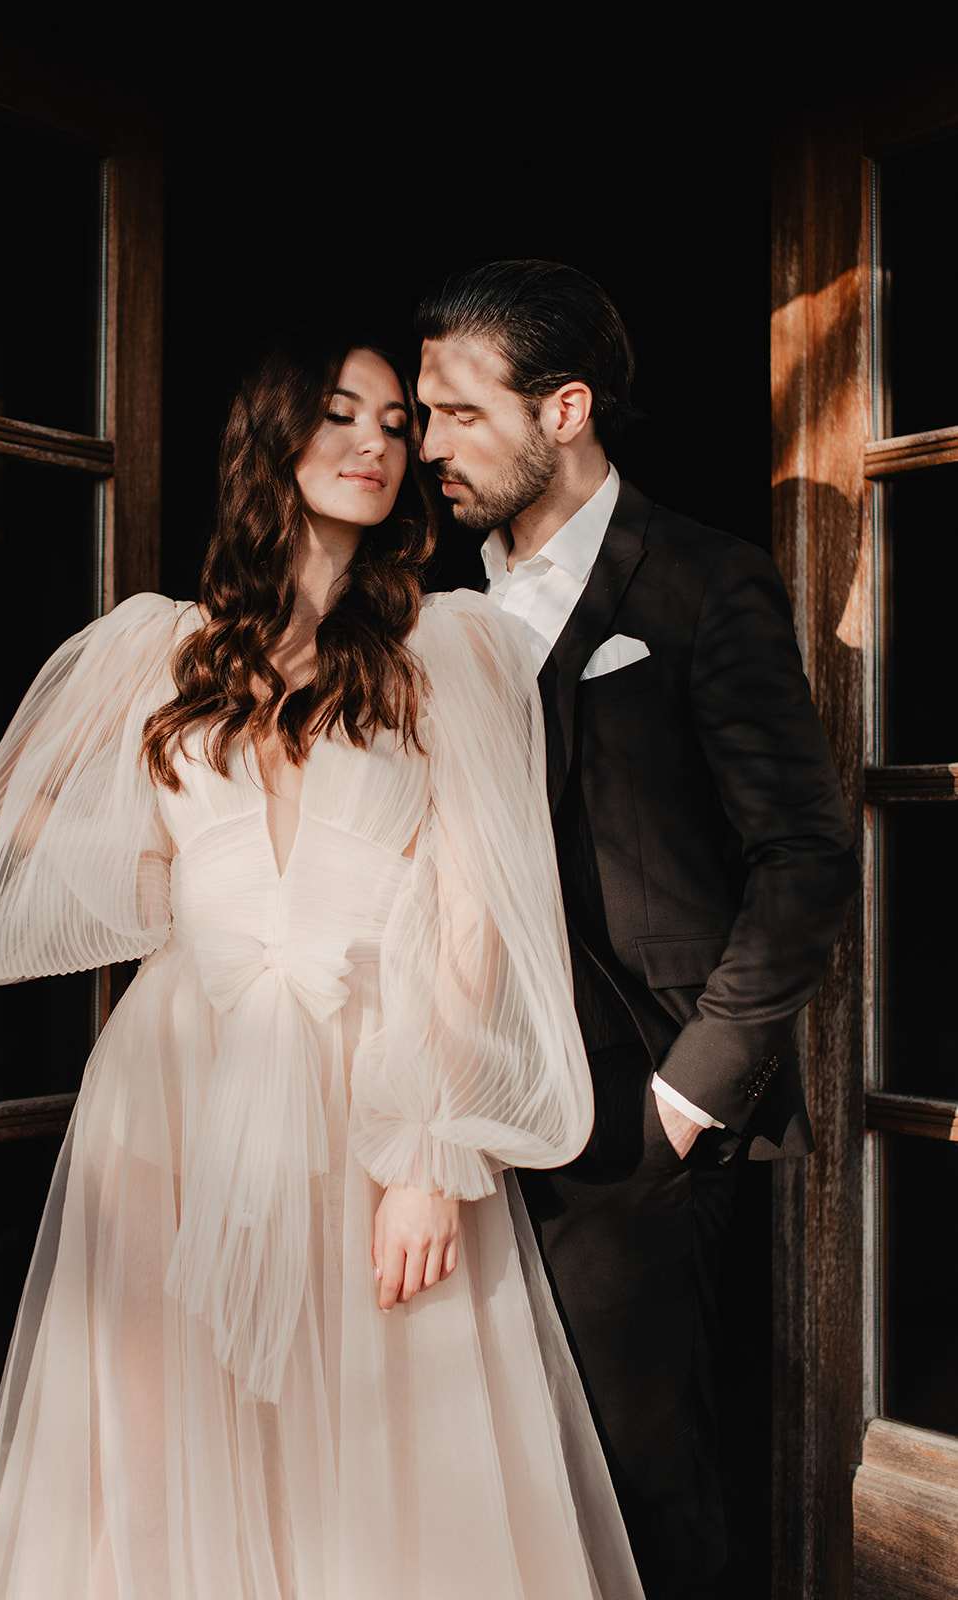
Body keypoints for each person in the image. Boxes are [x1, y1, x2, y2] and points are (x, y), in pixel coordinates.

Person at [0, 332, 646, 1600]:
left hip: (371, 1085)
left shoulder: (448, 654)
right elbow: (24, 834)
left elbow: (475, 909)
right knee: (168, 1432)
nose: (377, 444)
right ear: (272, 442)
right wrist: (197, 898)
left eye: (391, 423)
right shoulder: (158, 649)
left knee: (380, 1443)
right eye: (340, 416)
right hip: (171, 1089)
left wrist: (429, 1154)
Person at [413, 260, 860, 1600]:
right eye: (419, 414)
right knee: (471, 1469)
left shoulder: (704, 585)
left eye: (454, 413)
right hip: (447, 1106)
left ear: (564, 409)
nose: (423, 445)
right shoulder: (427, 605)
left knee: (641, 1480)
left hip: (629, 1118)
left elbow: (802, 859)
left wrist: (683, 1098)